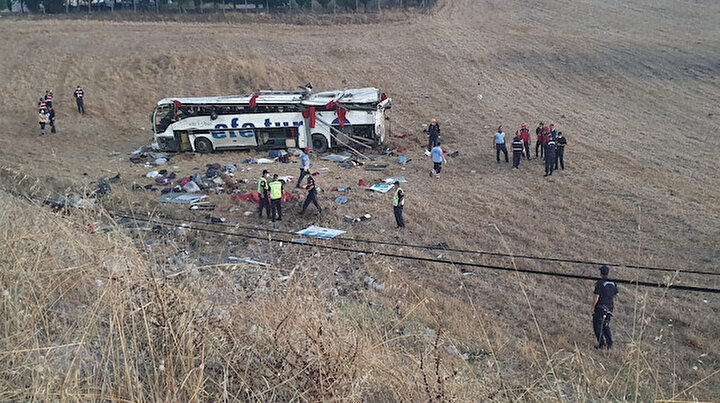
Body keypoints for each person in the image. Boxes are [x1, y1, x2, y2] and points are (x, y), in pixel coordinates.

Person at [592, 265, 618, 349]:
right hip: (610, 307)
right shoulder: (613, 282)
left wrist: (593, 307)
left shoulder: (600, 283)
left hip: (600, 307)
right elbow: (616, 294)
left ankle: (601, 344)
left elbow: (597, 296)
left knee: (597, 326)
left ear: (601, 273)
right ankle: (609, 343)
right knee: (606, 325)